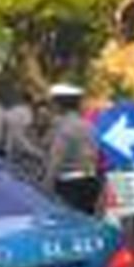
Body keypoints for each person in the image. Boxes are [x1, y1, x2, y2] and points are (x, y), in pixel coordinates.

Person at [44, 83, 102, 214]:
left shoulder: (63, 128)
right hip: (90, 182)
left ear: (59, 105)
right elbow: (96, 154)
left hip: (68, 186)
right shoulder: (90, 126)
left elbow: (55, 161)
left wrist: (45, 189)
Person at [8, 98, 53, 186]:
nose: (42, 119)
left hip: (38, 180)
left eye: (45, 116)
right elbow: (22, 146)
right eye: (40, 115)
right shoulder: (26, 129)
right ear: (34, 114)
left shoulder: (52, 133)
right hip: (19, 173)